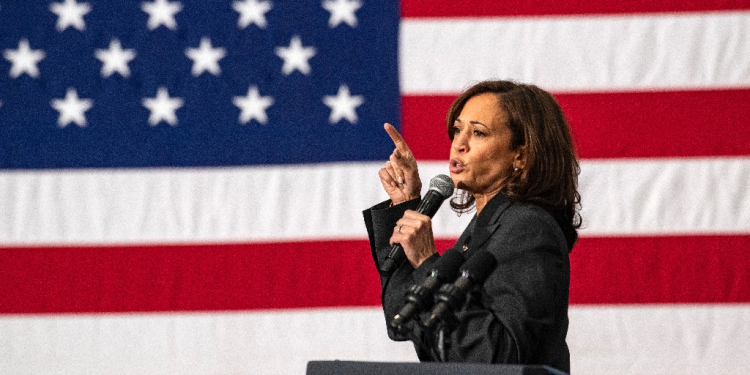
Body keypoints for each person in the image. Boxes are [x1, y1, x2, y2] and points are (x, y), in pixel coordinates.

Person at [362, 80, 581, 373]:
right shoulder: (485, 226)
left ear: (521, 155)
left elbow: (500, 357)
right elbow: (403, 319)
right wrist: (406, 205)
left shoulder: (528, 228)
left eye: (478, 132)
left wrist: (429, 261)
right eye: (457, 130)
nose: (459, 144)